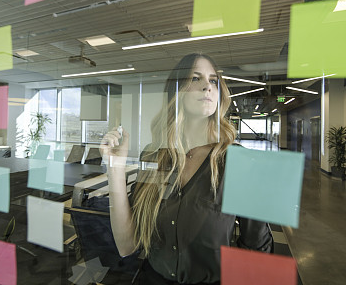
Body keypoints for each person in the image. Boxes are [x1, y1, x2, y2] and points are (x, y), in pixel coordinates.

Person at [100, 53, 273, 285]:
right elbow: (127, 245)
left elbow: (257, 250)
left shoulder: (238, 161)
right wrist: (115, 168)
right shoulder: (154, 154)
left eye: (213, 80)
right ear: (177, 92)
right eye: (195, 78)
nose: (207, 87)